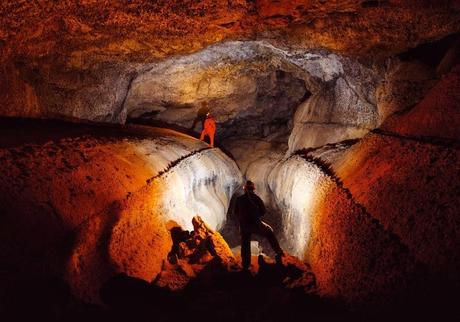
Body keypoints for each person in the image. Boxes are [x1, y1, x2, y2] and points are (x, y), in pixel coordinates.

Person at [234, 180, 284, 271]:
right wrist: (256, 216)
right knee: (269, 232)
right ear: (253, 189)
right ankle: (278, 252)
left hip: (244, 225)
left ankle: (245, 265)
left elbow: (235, 212)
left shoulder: (239, 199)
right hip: (256, 224)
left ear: (244, 189)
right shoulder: (256, 198)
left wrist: (242, 219)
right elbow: (263, 211)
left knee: (245, 243)